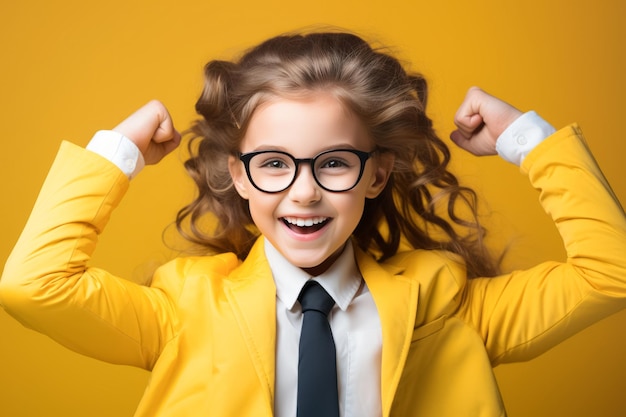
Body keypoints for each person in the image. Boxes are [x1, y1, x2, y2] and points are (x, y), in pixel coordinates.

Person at [1, 31, 625, 417]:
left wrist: (529, 141)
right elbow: (33, 286)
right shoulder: (186, 307)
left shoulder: (447, 303)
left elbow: (611, 274)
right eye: (274, 164)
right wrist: (117, 153)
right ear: (239, 176)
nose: (303, 192)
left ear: (377, 176)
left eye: (333, 163)